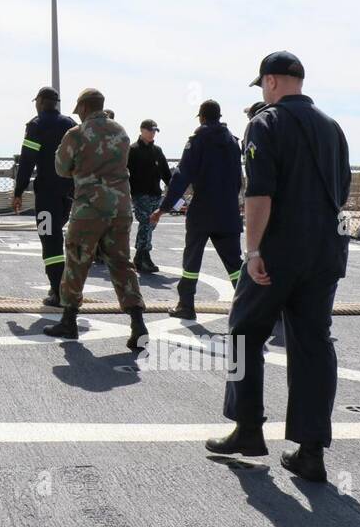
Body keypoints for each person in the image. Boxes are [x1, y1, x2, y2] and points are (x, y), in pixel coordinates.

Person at [206, 51, 350, 483]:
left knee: (242, 334)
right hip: (326, 252)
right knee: (313, 343)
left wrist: (252, 251)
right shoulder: (333, 128)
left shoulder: (265, 122)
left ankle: (247, 428)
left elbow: (259, 193)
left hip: (278, 252)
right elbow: (342, 189)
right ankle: (311, 452)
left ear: (270, 82)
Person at [43, 88, 148, 351]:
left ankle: (69, 321)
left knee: (77, 261)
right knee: (122, 263)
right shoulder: (121, 131)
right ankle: (138, 324)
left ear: (84, 108)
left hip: (89, 209)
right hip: (121, 207)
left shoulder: (76, 134)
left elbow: (60, 168)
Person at [150, 101, 243, 320]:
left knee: (192, 260)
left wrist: (163, 208)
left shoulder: (198, 140)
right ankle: (249, 306)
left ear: (201, 117)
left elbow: (181, 177)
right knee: (235, 263)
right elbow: (238, 180)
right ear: (219, 117)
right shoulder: (232, 142)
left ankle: (186, 305)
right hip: (228, 211)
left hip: (202, 211)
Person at [12, 87, 77, 307]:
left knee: (50, 240)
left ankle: (57, 291)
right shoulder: (70, 124)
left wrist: (18, 192)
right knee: (58, 236)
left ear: (40, 102)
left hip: (47, 194)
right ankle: (64, 287)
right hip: (69, 193)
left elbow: (27, 161)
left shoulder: (36, 126)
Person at [128, 119, 172, 273]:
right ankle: (144, 256)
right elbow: (126, 174)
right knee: (146, 223)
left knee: (150, 225)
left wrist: (174, 191)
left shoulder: (157, 151)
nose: (153, 133)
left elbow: (166, 173)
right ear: (142, 130)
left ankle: (140, 256)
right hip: (140, 194)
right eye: (150, 130)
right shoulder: (132, 150)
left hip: (155, 194)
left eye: (155, 131)